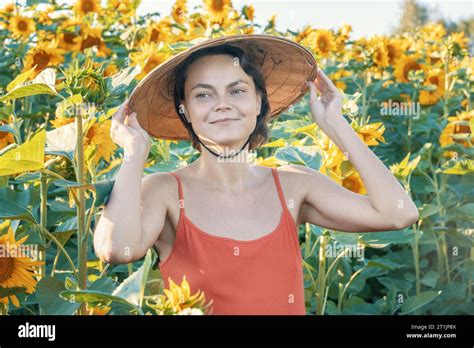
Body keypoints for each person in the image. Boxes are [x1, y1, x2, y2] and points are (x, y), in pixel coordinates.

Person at [93, 35, 419, 315]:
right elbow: (115, 248)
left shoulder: (293, 185)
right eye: (203, 95)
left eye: (236, 91)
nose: (222, 104)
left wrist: (337, 125)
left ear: (259, 100)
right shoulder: (165, 190)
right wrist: (134, 155)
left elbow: (398, 214)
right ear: (184, 110)